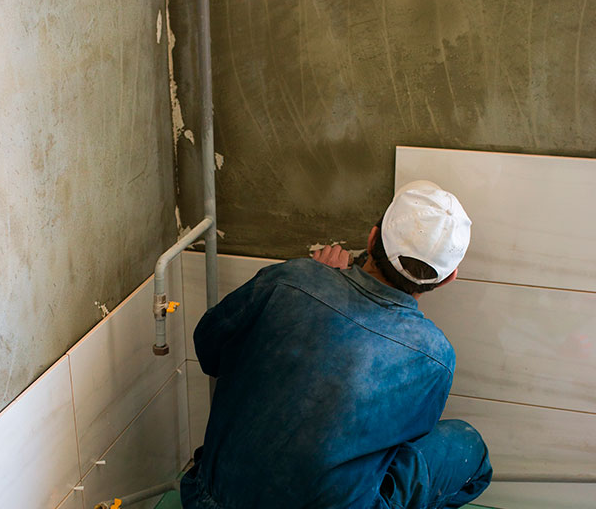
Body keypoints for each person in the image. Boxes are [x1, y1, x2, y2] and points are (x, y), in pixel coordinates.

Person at [180, 180, 493, 509]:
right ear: (448, 277)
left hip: (207, 500)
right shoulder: (434, 357)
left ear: (372, 239)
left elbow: (208, 348)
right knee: (466, 447)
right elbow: (399, 449)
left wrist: (314, 284)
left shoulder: (290, 280)